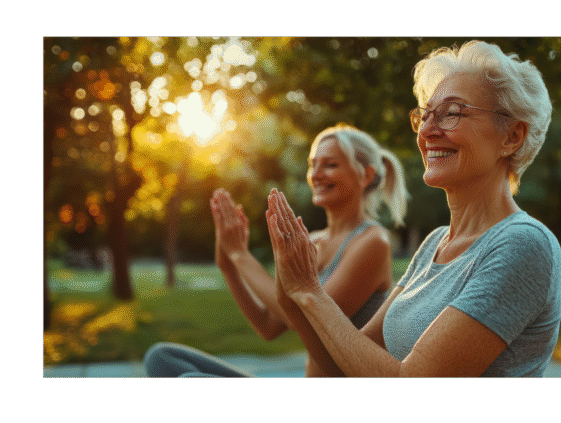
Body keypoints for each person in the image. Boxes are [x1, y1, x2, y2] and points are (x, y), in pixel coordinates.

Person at [266, 40, 561, 377]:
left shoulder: (523, 244)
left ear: (511, 136)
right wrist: (294, 292)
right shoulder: (434, 244)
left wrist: (311, 294)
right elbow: (341, 365)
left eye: (452, 113)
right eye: (425, 115)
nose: (427, 131)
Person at [144, 124, 409, 377]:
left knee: (189, 381)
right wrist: (229, 267)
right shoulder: (312, 241)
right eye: (312, 164)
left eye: (330, 164)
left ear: (366, 175)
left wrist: (241, 256)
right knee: (163, 359)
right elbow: (268, 326)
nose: (316, 174)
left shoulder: (373, 243)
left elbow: (302, 319)